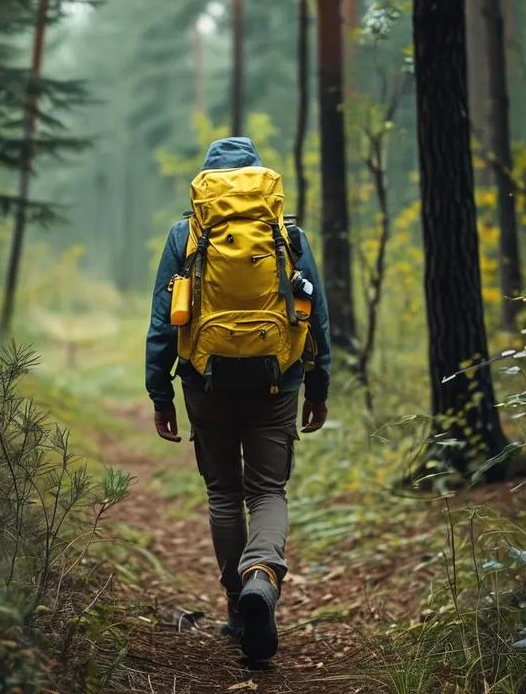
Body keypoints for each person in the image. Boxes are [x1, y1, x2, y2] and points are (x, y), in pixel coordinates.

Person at [145, 137, 331, 660]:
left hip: (206, 382)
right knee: (268, 492)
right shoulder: (286, 233)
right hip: (278, 378)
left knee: (224, 496)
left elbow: (163, 322)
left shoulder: (186, 234)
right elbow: (316, 315)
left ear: (207, 185)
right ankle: (261, 579)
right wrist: (319, 386)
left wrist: (160, 394)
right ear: (258, 180)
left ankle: (237, 609)